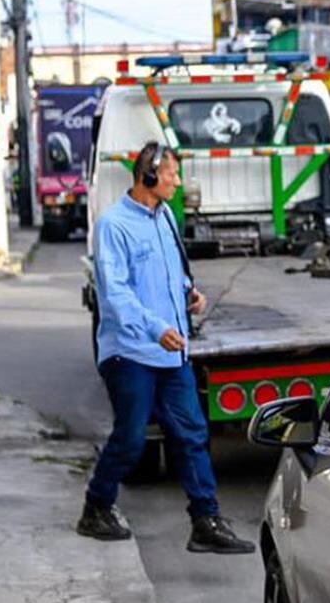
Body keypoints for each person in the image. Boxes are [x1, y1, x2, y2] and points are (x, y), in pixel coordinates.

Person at [76, 142, 255, 555]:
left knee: (192, 434)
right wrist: (156, 327)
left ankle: (206, 521)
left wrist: (188, 292)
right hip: (129, 352)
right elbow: (115, 294)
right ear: (149, 176)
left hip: (171, 352)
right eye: (172, 174)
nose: (178, 182)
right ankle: (96, 506)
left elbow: (166, 273)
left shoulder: (166, 217)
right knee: (132, 439)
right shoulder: (113, 225)